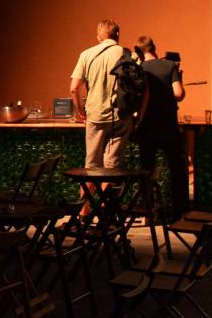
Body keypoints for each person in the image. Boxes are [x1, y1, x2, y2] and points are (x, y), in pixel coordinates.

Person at [134, 37, 188, 217]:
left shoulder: (139, 69)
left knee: (146, 170)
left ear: (139, 51)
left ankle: (148, 210)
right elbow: (178, 94)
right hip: (168, 125)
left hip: (146, 126)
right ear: (154, 48)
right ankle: (180, 211)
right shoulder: (169, 65)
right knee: (176, 168)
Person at [69, 20, 132, 169]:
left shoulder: (86, 55)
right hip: (120, 116)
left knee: (92, 164)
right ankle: (109, 185)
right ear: (117, 35)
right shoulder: (128, 55)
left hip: (95, 115)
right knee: (112, 165)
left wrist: (81, 112)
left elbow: (74, 89)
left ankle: (90, 184)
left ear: (99, 37)